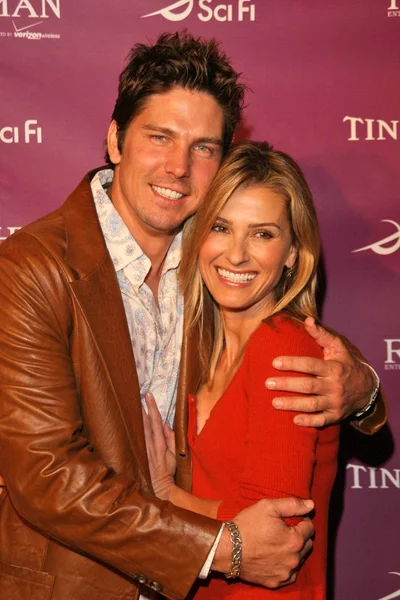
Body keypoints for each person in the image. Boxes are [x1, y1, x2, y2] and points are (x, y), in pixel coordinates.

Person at [0, 33, 386, 600]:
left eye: (204, 148)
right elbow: (48, 475)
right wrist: (219, 545)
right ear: (115, 139)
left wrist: (364, 391)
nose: (178, 168)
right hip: (73, 584)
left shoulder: (209, 259)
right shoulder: (32, 268)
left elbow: (293, 337)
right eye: (160, 137)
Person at [142, 141, 340, 598]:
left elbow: (274, 532)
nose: (236, 255)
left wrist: (167, 495)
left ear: (293, 252)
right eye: (221, 227)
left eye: (263, 234)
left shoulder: (283, 344)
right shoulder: (199, 349)